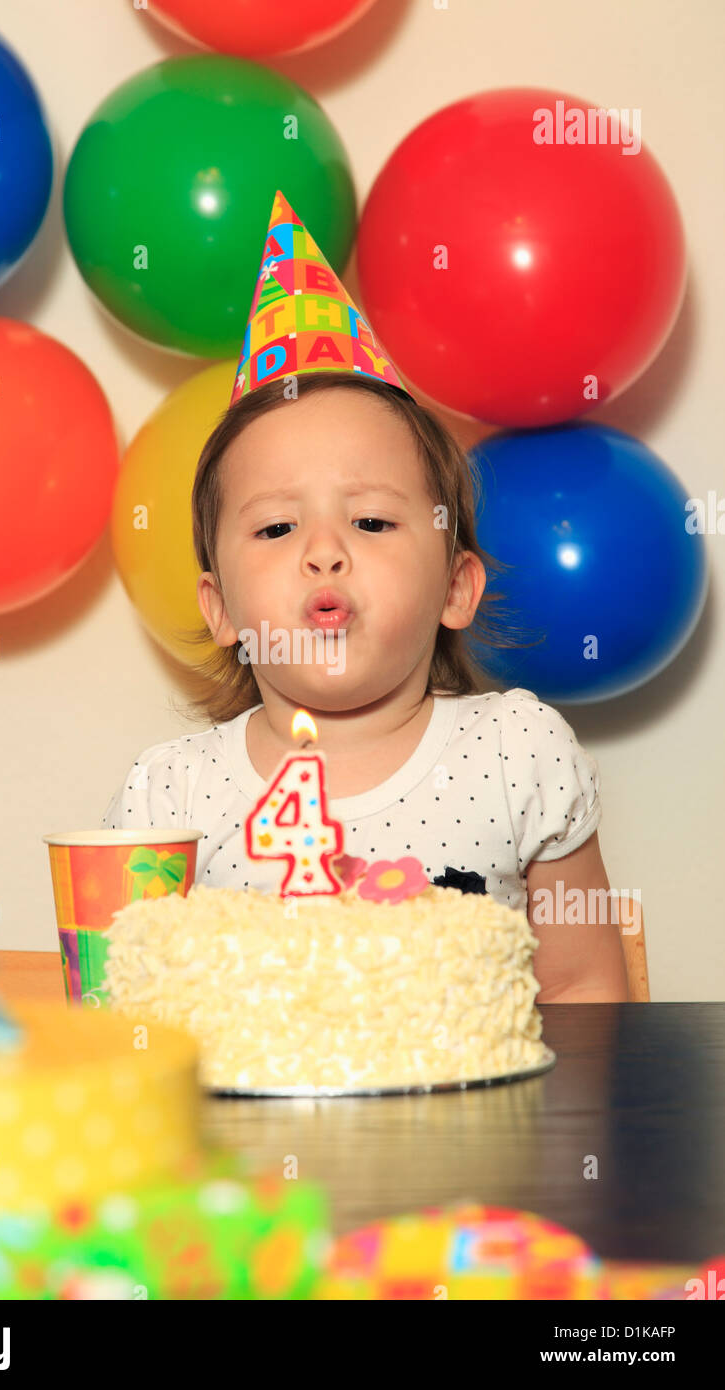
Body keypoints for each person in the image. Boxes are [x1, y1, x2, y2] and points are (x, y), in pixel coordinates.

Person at [102, 191, 629, 1003]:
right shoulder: (171, 798)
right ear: (222, 612)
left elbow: (585, 993)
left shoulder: (517, 756)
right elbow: (125, 1018)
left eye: (373, 520)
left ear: (456, 586)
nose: (324, 552)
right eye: (277, 529)